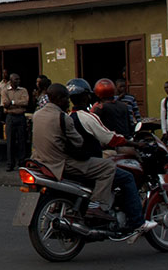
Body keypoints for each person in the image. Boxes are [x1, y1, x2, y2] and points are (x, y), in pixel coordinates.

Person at [65, 79, 156, 233]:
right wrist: (135, 144)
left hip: (88, 156)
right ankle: (136, 221)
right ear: (86, 96)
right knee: (127, 177)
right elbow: (112, 136)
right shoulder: (104, 111)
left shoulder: (70, 116)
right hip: (109, 150)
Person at [30, 83, 119, 224]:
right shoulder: (63, 117)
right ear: (59, 99)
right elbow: (78, 142)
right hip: (61, 164)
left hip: (41, 161)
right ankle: (95, 206)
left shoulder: (37, 115)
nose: (68, 101)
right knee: (108, 167)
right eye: (66, 98)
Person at [2, 73, 30, 171]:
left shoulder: (23, 90)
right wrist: (17, 104)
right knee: (10, 141)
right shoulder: (5, 91)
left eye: (19, 79)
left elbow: (25, 102)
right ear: (11, 81)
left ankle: (22, 162)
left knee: (22, 140)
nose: (18, 81)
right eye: (16, 79)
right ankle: (10, 163)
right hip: (10, 117)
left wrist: (12, 102)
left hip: (20, 117)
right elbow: (5, 104)